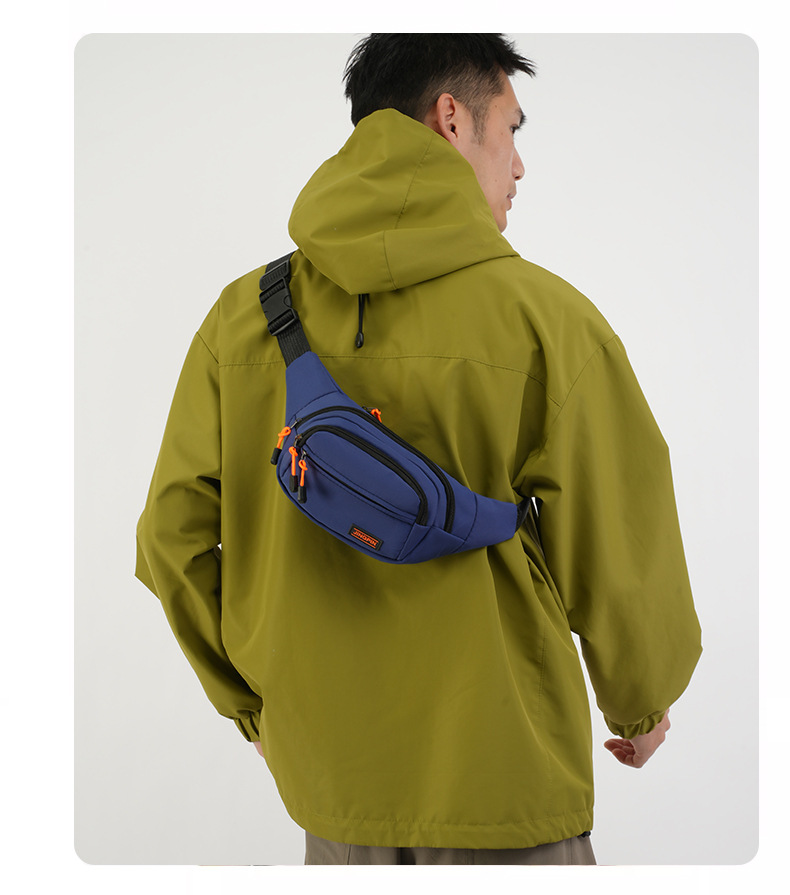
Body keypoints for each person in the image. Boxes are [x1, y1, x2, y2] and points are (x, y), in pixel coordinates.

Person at [135, 33, 703, 866]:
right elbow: (620, 534)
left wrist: (251, 705)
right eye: (511, 128)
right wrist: (641, 700)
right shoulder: (548, 320)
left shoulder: (242, 316)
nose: (519, 166)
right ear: (452, 118)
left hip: (333, 791)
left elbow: (171, 537)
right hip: (506, 782)